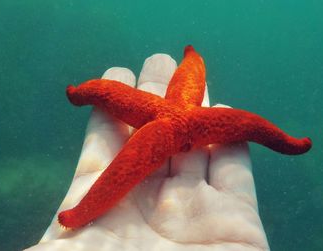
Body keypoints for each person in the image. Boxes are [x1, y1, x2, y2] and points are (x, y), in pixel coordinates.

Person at [26, 53, 270, 251]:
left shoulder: (163, 123)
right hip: (163, 126)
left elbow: (246, 123)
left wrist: (78, 215)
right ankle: (79, 213)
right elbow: (109, 93)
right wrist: (80, 93)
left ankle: (79, 213)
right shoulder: (162, 124)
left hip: (163, 126)